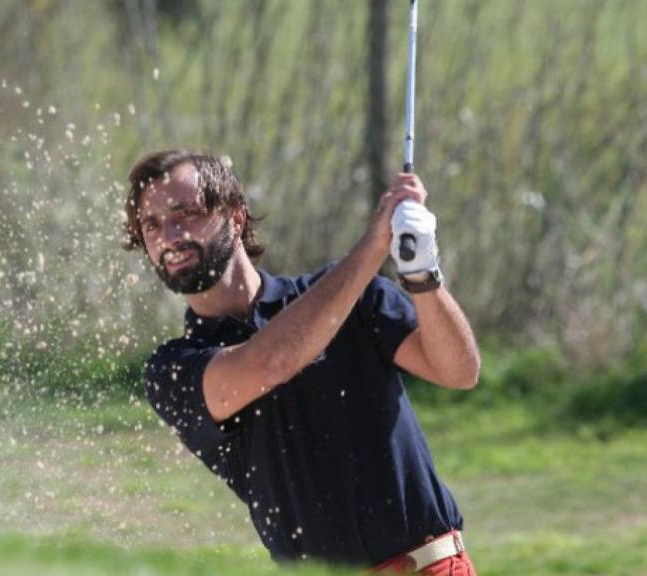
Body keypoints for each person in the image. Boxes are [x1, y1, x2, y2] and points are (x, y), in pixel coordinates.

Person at [123, 149, 481, 574]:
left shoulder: (354, 296)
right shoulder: (173, 370)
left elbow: (459, 372)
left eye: (185, 212)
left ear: (236, 217)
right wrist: (372, 248)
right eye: (152, 224)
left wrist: (423, 275)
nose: (170, 233)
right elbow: (271, 361)